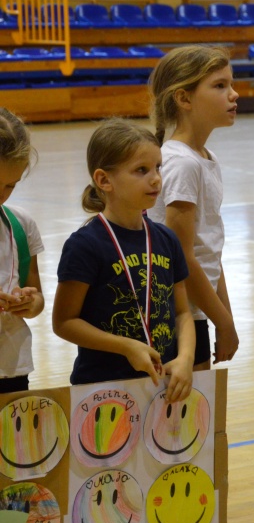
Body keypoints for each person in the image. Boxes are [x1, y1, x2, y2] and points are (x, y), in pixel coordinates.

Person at [52, 119, 194, 401]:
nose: (155, 178)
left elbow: (182, 312)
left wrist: (186, 359)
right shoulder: (85, 245)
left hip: (161, 388)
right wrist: (126, 346)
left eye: (157, 167)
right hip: (101, 390)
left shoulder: (166, 239)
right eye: (141, 170)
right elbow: (64, 321)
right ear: (104, 180)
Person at [146, 45, 239, 369]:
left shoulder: (202, 159)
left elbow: (208, 251)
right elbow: (181, 256)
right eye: (220, 85)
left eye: (231, 83)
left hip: (196, 307)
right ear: (184, 99)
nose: (234, 94)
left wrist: (223, 315)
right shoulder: (182, 164)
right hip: (175, 312)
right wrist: (223, 322)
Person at [0, 109, 44, 394]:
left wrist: (29, 302)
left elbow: (36, 297)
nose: (1, 193)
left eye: (9, 185)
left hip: (12, 367)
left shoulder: (20, 224)